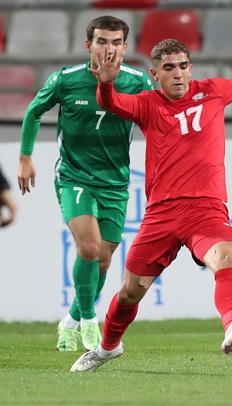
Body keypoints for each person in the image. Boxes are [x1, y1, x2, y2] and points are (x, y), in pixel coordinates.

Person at [70, 39, 232, 372]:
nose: (177, 74)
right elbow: (113, 102)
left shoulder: (213, 91)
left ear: (191, 68)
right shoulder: (147, 104)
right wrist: (105, 84)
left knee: (225, 256)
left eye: (182, 66)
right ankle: (107, 348)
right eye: (168, 68)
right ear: (155, 74)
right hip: (161, 213)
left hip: (206, 209)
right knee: (130, 293)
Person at [17, 16, 153, 353]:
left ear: (125, 47)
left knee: (103, 261)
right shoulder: (66, 79)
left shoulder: (138, 82)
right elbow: (34, 111)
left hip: (115, 183)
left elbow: (157, 123)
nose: (109, 49)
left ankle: (71, 321)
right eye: (102, 41)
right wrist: (25, 157)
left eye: (116, 42)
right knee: (89, 248)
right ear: (88, 45)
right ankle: (91, 320)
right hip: (73, 176)